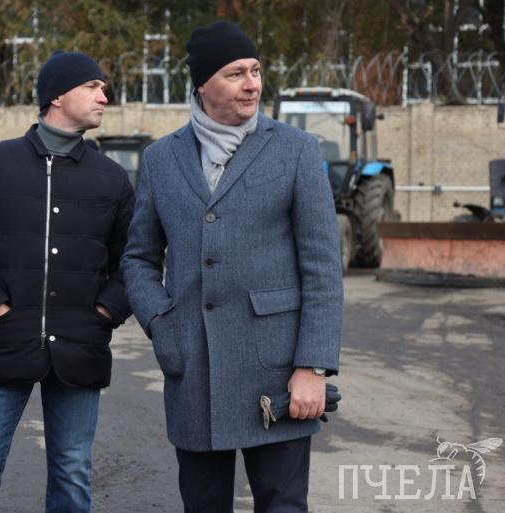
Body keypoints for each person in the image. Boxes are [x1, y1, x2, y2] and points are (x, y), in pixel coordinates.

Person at [121, 21, 343, 513]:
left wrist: (312, 366)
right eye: (235, 73)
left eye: (255, 71)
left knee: (284, 506)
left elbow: (323, 268)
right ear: (202, 84)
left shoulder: (296, 150)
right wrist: (161, 322)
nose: (252, 84)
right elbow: (138, 257)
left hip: (277, 372)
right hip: (193, 369)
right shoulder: (161, 159)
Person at [0, 51, 134, 513]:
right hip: (3, 345)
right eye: (93, 86)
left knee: (72, 475)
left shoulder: (112, 179)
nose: (104, 97)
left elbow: (135, 260)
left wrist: (105, 313)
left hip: (80, 351)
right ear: (57, 96)